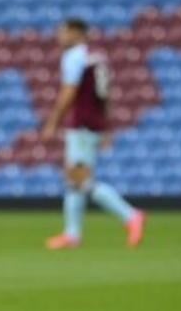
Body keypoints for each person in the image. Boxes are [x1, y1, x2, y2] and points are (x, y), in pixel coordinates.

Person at [40, 18, 146, 250]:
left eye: (63, 32)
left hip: (82, 125)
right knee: (74, 180)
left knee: (81, 179)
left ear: (77, 33)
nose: (59, 37)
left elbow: (69, 92)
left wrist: (53, 122)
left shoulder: (74, 56)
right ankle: (72, 234)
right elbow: (106, 95)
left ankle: (130, 215)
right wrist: (107, 126)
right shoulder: (97, 58)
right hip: (94, 124)